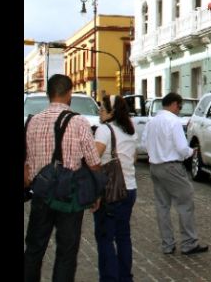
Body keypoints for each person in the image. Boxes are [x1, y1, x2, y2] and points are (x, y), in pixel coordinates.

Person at [24, 74, 102, 282]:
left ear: (49, 94)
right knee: (66, 253)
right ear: (69, 94)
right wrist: (96, 191)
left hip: (40, 194)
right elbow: (93, 161)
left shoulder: (32, 122)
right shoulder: (79, 122)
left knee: (33, 249)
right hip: (69, 197)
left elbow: (28, 161)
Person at [141, 92, 208, 255]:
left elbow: (143, 145)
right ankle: (189, 243)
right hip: (171, 166)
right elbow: (181, 147)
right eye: (179, 106)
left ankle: (167, 244)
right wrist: (192, 152)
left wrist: (156, 151)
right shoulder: (173, 121)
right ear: (173, 104)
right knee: (185, 202)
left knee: (162, 206)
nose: (179, 110)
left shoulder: (152, 122)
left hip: (155, 166)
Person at [94, 95, 137, 282]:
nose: (99, 113)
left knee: (105, 237)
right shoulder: (130, 129)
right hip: (130, 188)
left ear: (111, 112)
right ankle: (125, 276)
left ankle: (109, 278)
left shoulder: (104, 130)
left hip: (111, 191)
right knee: (123, 235)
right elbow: (133, 158)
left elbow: (94, 159)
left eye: (102, 109)